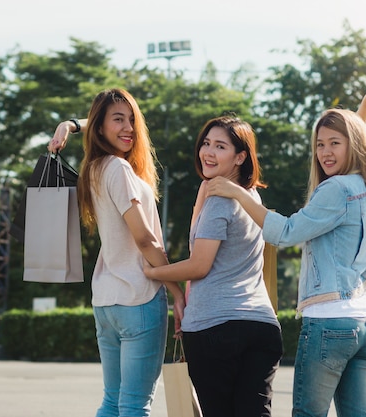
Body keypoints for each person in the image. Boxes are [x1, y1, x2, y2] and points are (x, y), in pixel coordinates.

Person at [206, 86, 366, 417]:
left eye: (335, 143)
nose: (325, 152)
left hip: (328, 323)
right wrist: (364, 107)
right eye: (320, 144)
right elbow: (359, 143)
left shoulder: (335, 189)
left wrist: (239, 194)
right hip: (365, 325)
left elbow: (286, 232)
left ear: (352, 145)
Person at [47, 88, 185, 417]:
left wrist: (69, 124)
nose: (128, 128)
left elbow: (97, 122)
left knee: (113, 401)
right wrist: (176, 291)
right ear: (101, 127)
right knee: (135, 405)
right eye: (118, 120)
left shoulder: (95, 169)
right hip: (138, 297)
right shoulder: (119, 170)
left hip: (106, 301)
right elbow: (145, 240)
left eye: (132, 120)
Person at [142, 114, 283, 417]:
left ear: (240, 157)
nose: (208, 152)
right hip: (262, 325)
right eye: (206, 143)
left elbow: (200, 264)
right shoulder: (251, 197)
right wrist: (201, 195)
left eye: (220, 146)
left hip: (216, 328)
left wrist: (153, 272)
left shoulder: (221, 200)